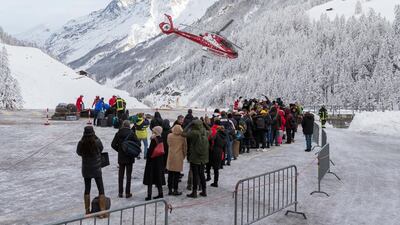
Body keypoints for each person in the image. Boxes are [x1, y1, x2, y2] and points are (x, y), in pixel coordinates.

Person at [76, 126, 107, 218]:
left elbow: (78, 152)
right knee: (101, 189)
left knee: (87, 189)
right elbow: (101, 149)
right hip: (97, 168)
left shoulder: (81, 143)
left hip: (86, 169)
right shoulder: (97, 141)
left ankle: (87, 211)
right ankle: (102, 212)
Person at [111, 120, 141, 198]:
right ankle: (127, 193)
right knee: (128, 175)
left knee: (120, 175)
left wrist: (120, 150)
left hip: (121, 157)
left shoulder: (118, 133)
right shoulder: (132, 133)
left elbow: (113, 144)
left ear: (123, 125)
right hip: (129, 157)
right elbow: (139, 143)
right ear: (129, 126)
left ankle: (120, 192)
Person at [183, 119, 210, 198]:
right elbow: (210, 130)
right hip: (203, 157)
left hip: (195, 157)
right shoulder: (205, 132)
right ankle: (204, 191)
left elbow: (183, 133)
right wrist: (205, 124)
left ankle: (194, 192)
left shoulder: (194, 133)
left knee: (195, 174)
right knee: (202, 174)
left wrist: (189, 125)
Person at [143, 126, 166, 201]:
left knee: (150, 179)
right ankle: (160, 193)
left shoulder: (154, 140)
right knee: (158, 178)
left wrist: (148, 154)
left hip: (152, 162)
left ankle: (149, 195)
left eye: (153, 131)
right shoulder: (161, 139)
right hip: (159, 162)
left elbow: (150, 152)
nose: (152, 132)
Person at [166, 124, 187, 196]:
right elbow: (185, 148)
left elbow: (168, 144)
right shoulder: (182, 137)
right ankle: (175, 189)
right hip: (179, 156)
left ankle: (169, 190)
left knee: (170, 174)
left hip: (171, 156)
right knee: (176, 175)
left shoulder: (169, 136)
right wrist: (184, 155)